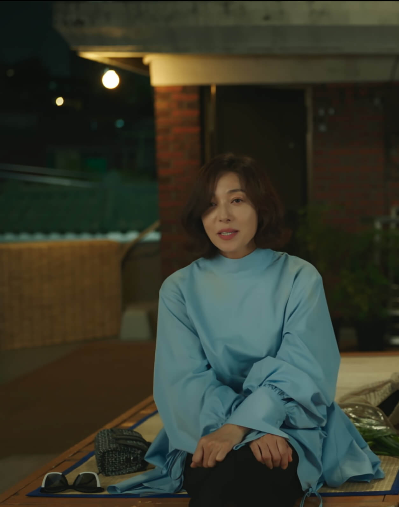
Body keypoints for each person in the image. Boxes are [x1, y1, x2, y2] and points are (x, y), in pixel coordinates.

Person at [109, 154, 384, 506]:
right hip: (206, 427)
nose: (223, 215)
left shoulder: (299, 278)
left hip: (289, 426)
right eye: (211, 204)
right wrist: (236, 429)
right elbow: (184, 381)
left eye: (236, 200)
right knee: (219, 469)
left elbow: (304, 371)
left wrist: (250, 426)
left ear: (260, 207)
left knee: (251, 472)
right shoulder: (178, 289)